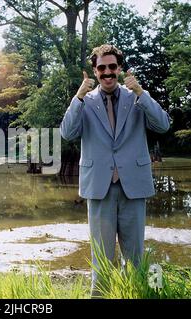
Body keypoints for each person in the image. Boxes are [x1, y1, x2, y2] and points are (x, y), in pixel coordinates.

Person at [59, 44, 170, 297]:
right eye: (102, 68)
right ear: (94, 71)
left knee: (135, 257)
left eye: (112, 67)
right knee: (101, 259)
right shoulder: (85, 101)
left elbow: (163, 125)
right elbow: (67, 133)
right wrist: (77, 97)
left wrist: (141, 92)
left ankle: (137, 293)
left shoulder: (136, 97)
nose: (107, 72)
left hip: (134, 185)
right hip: (99, 188)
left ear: (119, 69)